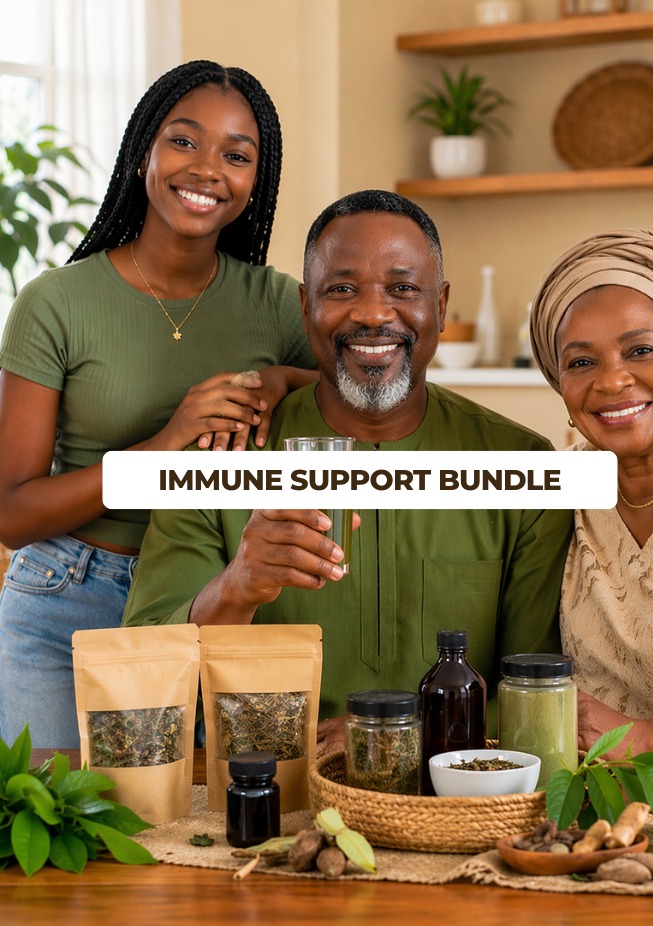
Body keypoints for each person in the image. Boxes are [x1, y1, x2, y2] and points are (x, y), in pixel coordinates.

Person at [123, 188, 573, 753]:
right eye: (341, 290)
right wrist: (237, 588)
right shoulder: (218, 459)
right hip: (265, 786)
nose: (372, 313)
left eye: (403, 289)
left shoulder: (520, 466)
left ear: (440, 303)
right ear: (306, 304)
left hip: (457, 790)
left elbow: (536, 690)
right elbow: (143, 676)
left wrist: (393, 735)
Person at [0, 60, 318, 747]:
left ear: (255, 180)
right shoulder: (55, 302)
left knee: (196, 836)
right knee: (52, 835)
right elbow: (13, 514)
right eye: (183, 141)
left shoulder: (278, 304)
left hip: (209, 598)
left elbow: (363, 400)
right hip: (67, 597)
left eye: (236, 155)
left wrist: (284, 381)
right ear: (143, 149)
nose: (207, 169)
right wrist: (164, 445)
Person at [529, 228, 653, 770]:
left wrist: (645, 738)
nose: (612, 382)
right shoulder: (561, 485)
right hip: (585, 802)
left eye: (640, 350)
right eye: (582, 362)